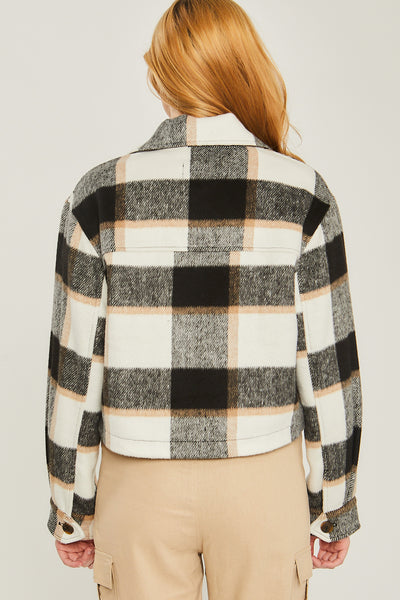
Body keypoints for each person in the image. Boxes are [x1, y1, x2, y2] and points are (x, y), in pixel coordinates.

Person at [45, 1, 362, 598]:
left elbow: (76, 368)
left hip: (138, 486)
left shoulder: (98, 197)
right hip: (262, 483)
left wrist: (71, 506)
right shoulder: (303, 195)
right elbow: (327, 364)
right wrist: (334, 504)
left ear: (161, 76)